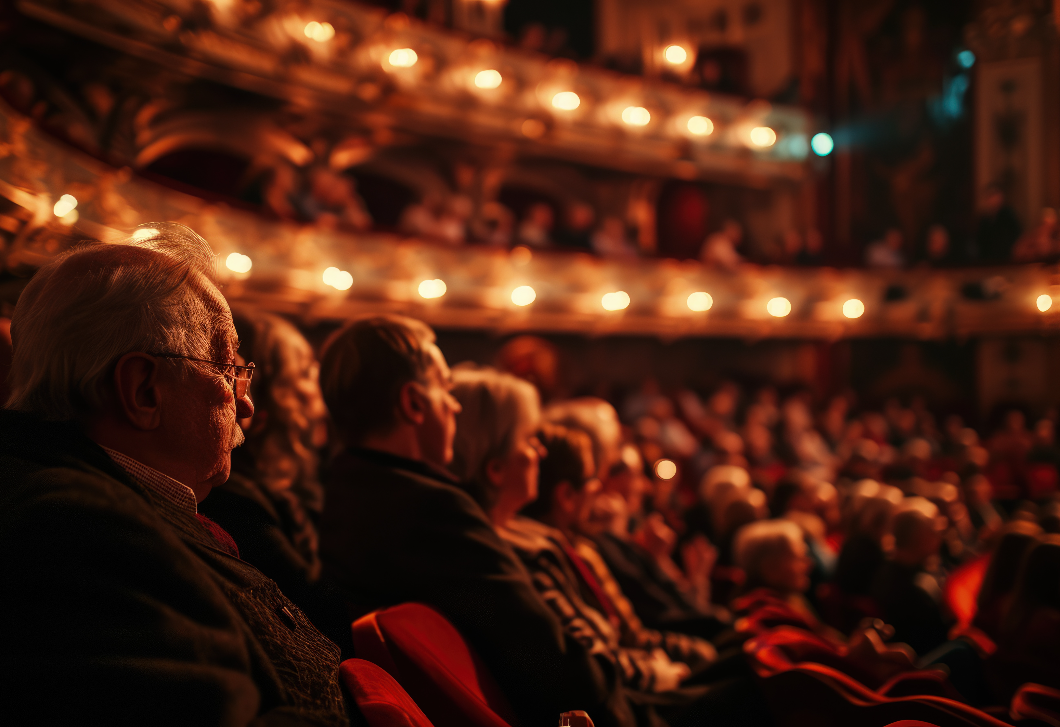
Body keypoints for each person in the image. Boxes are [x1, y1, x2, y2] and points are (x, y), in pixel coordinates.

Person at [0, 223, 347, 724]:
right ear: (143, 391)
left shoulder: (108, 504)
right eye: (227, 370)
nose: (246, 404)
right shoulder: (75, 532)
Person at [316, 315, 635, 727]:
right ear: (414, 403)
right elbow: (552, 662)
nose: (456, 405)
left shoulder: (342, 492)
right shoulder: (433, 510)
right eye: (446, 390)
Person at [198, 308, 331, 616]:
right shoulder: (232, 499)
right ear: (271, 393)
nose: (320, 388)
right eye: (307, 372)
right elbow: (317, 606)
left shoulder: (291, 486)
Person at [870, 498, 954, 656]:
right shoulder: (918, 589)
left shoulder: (884, 571)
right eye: (934, 531)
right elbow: (937, 639)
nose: (940, 537)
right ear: (919, 537)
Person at [975, 184, 1022, 263]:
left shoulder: (1008, 216)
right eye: (989, 196)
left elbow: (1016, 238)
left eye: (994, 195)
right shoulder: (985, 220)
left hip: (1007, 260)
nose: (992, 199)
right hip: (988, 262)